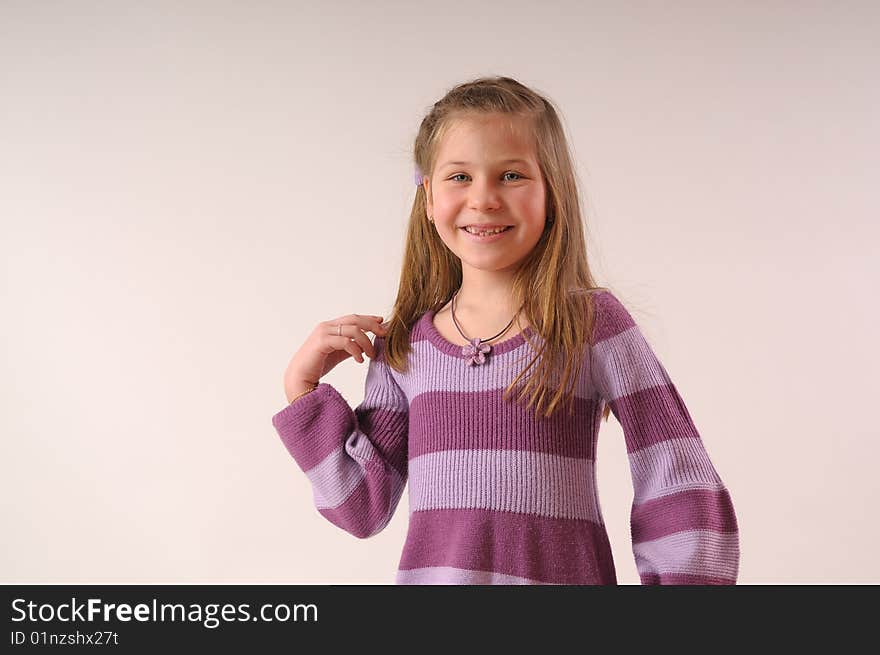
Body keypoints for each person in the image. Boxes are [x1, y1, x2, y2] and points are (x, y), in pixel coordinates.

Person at [272, 76, 740, 585]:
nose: (485, 199)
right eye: (459, 177)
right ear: (427, 196)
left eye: (512, 175)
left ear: (551, 191)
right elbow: (361, 507)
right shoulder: (405, 347)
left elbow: (678, 479)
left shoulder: (591, 324)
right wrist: (303, 394)